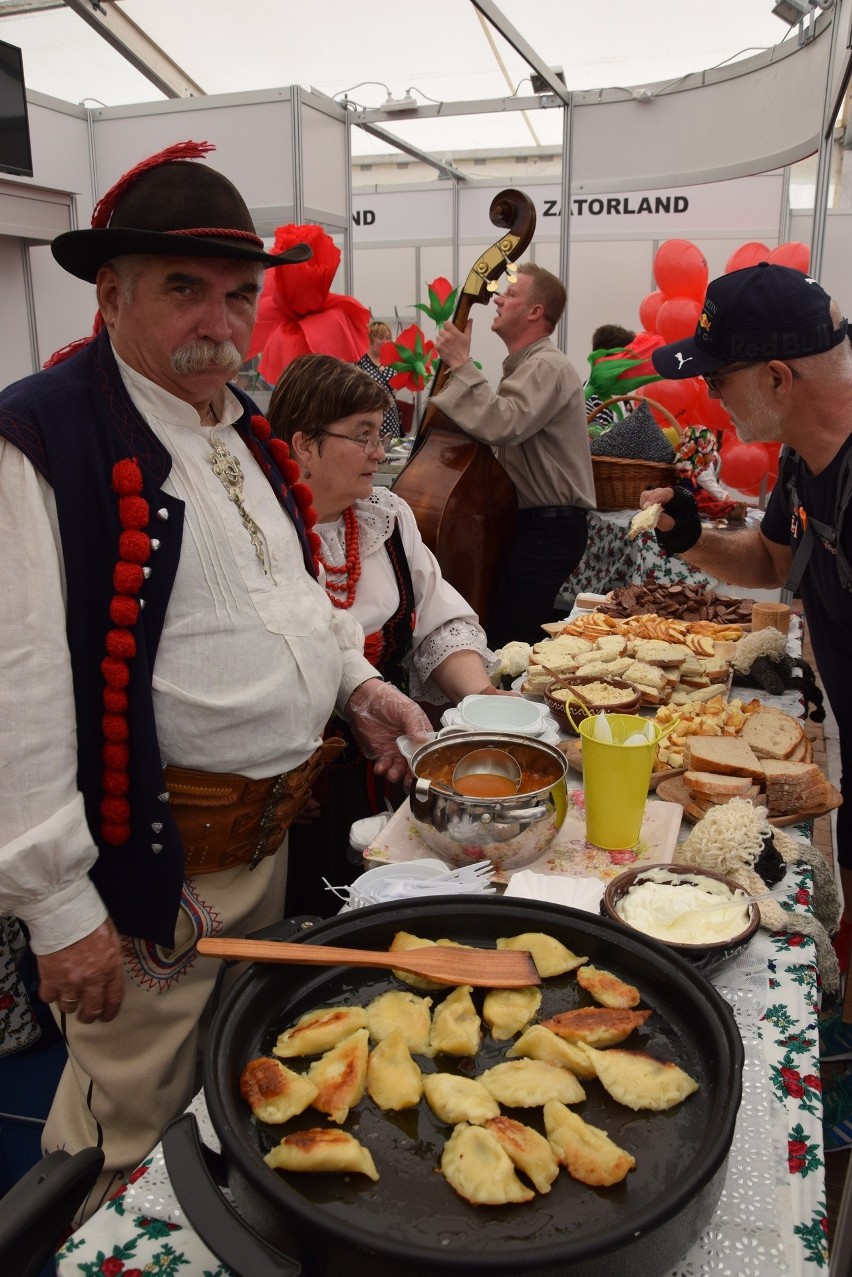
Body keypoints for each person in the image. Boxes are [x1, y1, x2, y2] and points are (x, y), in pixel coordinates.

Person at [0, 141, 431, 1217]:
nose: (221, 320)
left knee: (235, 1100)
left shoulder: (242, 427)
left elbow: (293, 601)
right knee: (128, 1127)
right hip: (149, 865)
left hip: (266, 840)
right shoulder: (41, 435)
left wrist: (356, 686)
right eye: (184, 289)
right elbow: (18, 688)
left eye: (239, 293)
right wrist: (57, 906)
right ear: (111, 291)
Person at [638, 261, 852, 964]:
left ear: (777, 378)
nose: (708, 392)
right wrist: (694, 541)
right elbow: (769, 561)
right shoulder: (801, 457)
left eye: (717, 376)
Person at [268, 353, 500, 914]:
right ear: (303, 444)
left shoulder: (387, 516)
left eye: (381, 433)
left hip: (390, 762)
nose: (380, 452)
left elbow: (440, 618)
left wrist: (484, 699)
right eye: (364, 435)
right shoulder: (263, 530)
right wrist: (267, 780)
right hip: (293, 795)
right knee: (315, 914)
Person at [432, 263, 595, 647]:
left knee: (512, 637)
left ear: (535, 311)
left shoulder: (546, 365)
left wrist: (459, 363)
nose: (497, 297)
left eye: (511, 293)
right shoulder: (530, 366)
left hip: (548, 529)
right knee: (512, 630)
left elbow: (503, 423)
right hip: (538, 526)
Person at [357, 319, 402, 439]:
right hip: (369, 416)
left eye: (388, 338)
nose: (385, 341)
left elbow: (395, 389)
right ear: (370, 339)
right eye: (381, 338)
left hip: (390, 418)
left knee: (390, 454)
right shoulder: (360, 362)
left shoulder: (392, 360)